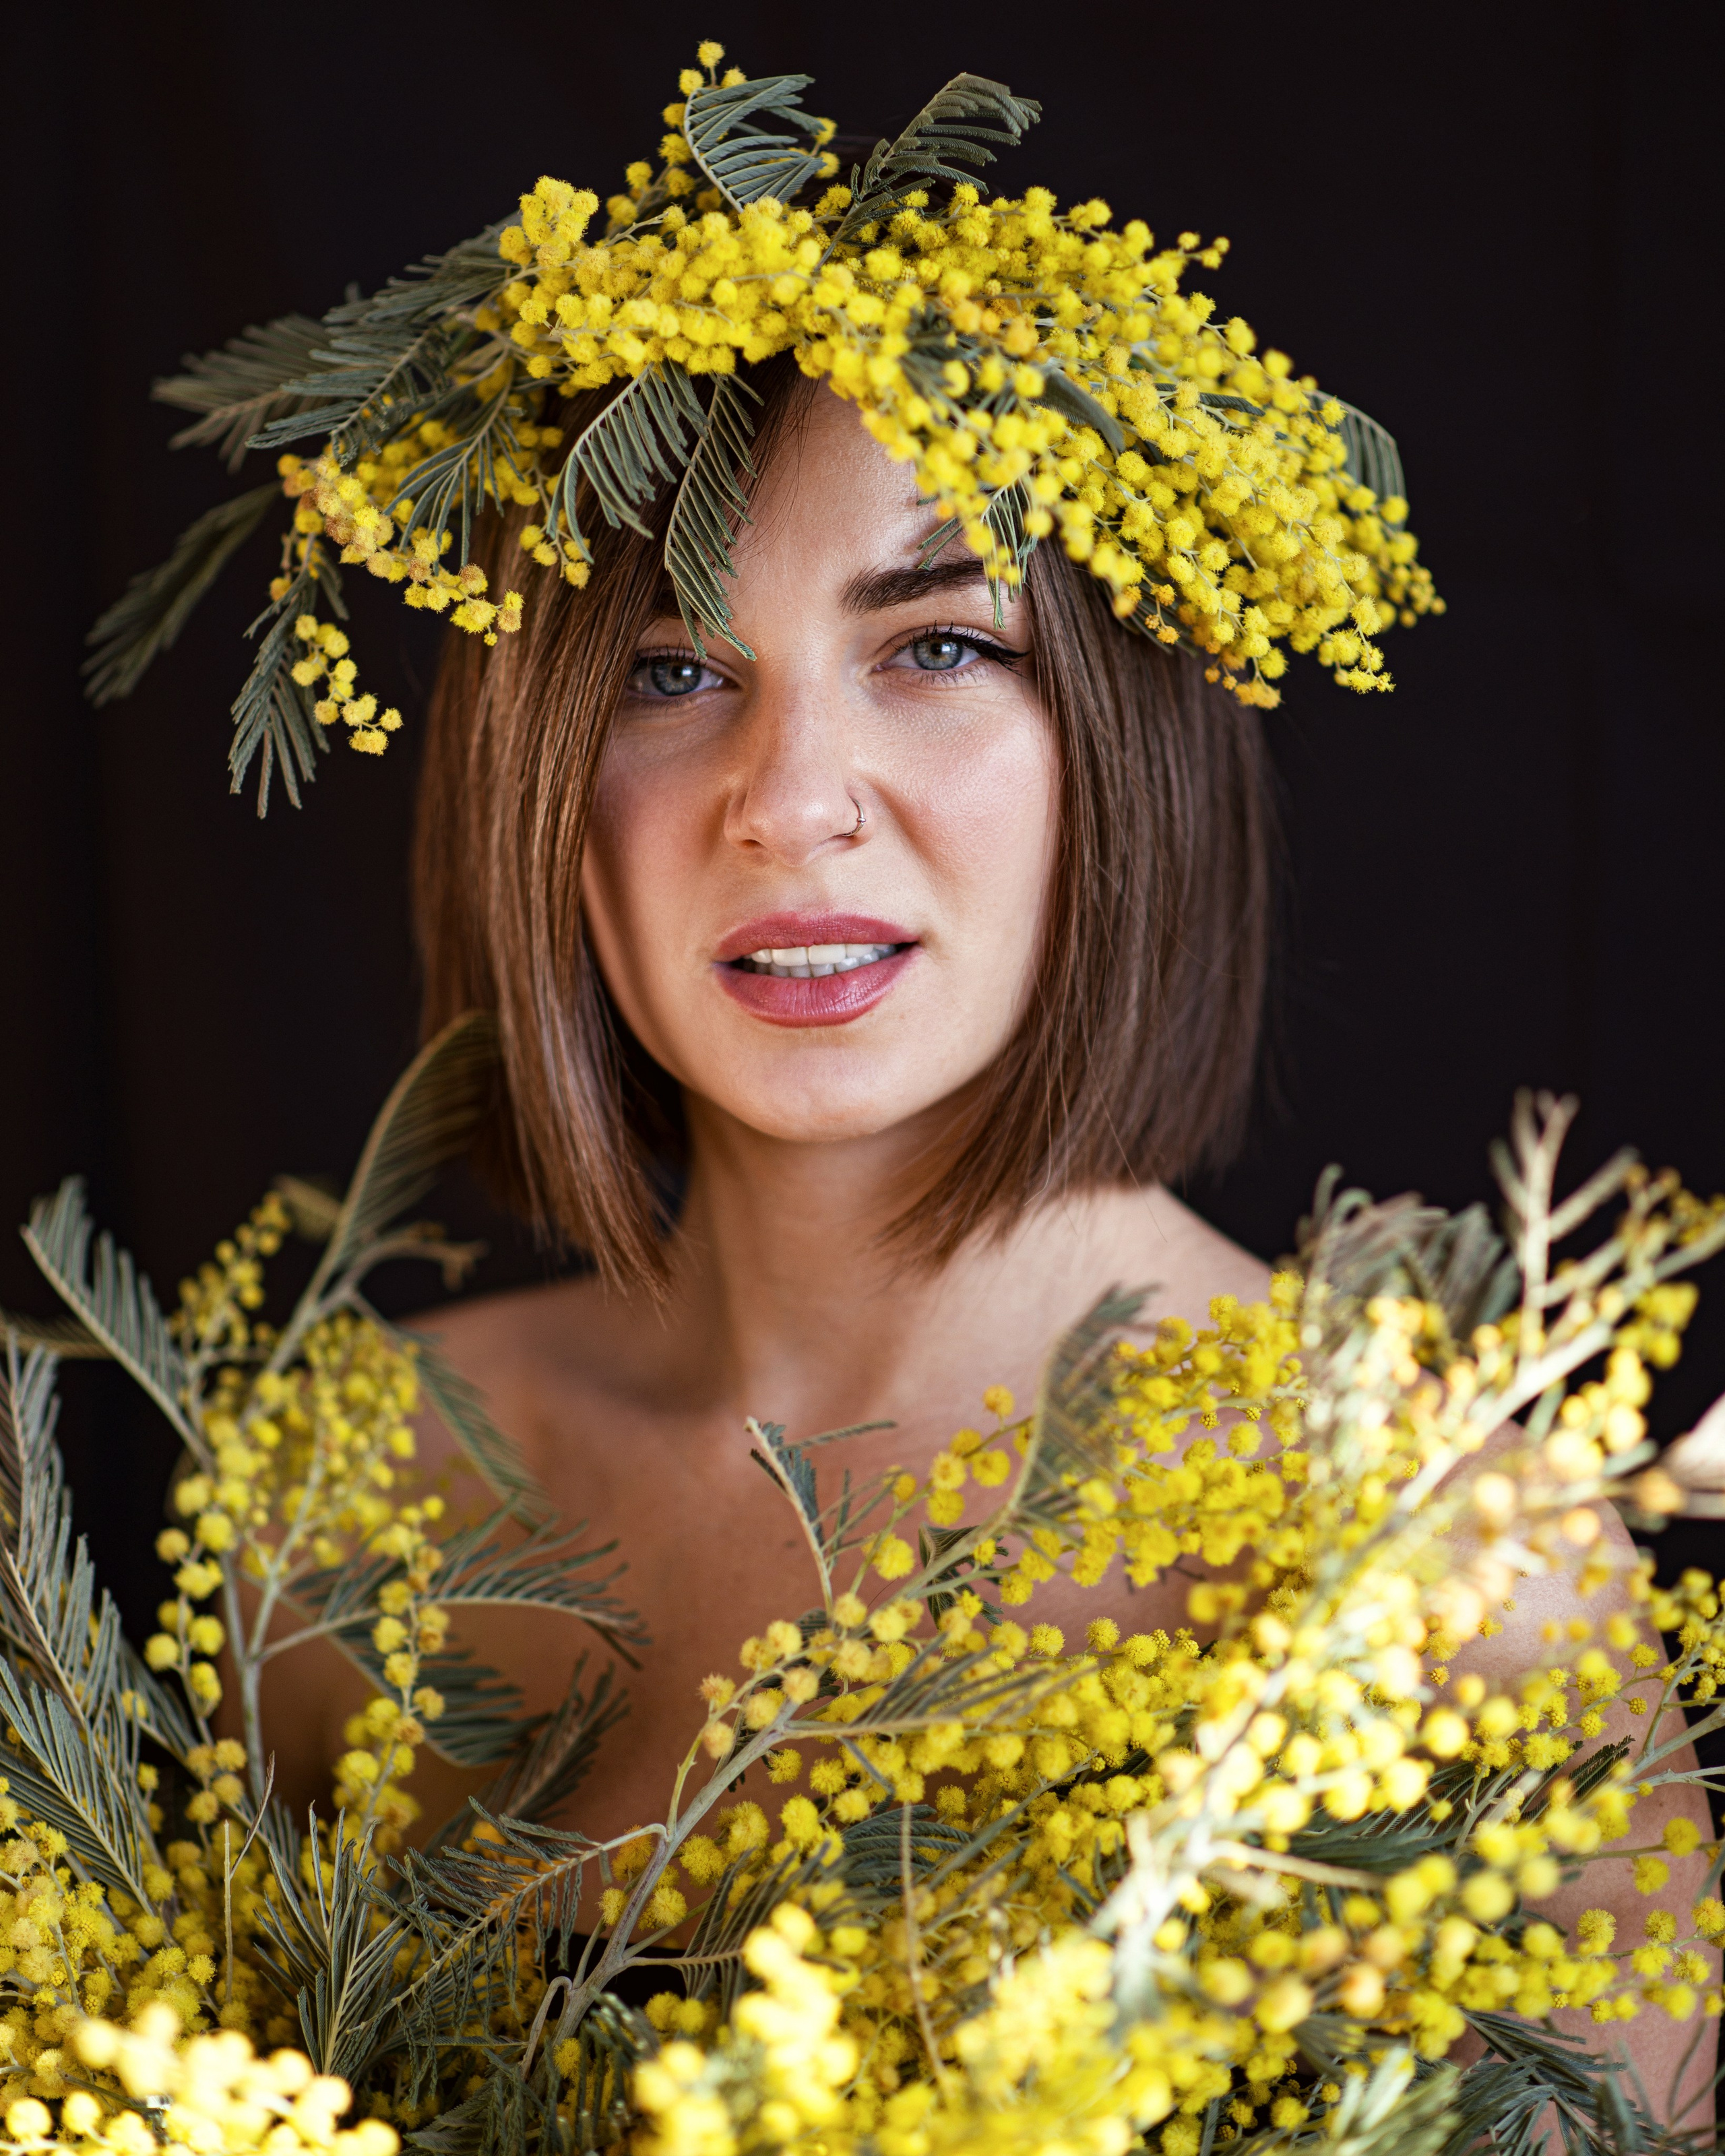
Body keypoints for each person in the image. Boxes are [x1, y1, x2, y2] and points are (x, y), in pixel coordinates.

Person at [251, 356, 1714, 2118]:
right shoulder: (351, 1485)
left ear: (1126, 727)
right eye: (670, 670)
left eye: (938, 645)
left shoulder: (1446, 1582)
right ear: (536, 782)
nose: (791, 799)